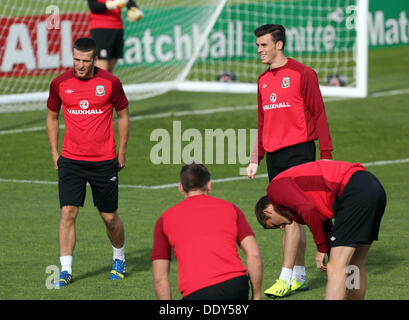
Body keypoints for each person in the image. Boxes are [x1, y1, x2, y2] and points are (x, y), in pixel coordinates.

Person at [246, 24, 334, 298]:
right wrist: (255, 158)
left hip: (300, 152)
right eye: (258, 45)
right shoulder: (262, 80)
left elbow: (319, 115)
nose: (259, 50)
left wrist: (326, 157)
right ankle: (299, 276)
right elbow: (262, 122)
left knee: (290, 218)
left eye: (263, 45)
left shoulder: (303, 74)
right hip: (275, 156)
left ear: (279, 45)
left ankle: (285, 278)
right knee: (292, 218)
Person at [46, 37, 130, 287]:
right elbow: (52, 117)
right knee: (68, 213)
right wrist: (54, 152)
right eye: (76, 60)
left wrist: (121, 152)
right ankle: (65, 270)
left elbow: (123, 115)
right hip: (71, 160)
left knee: (109, 218)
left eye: (85, 61)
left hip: (104, 161)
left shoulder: (110, 82)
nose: (80, 65)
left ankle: (119, 258)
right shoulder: (60, 83)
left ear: (95, 60)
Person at [254, 160, 386, 300]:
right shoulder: (294, 207)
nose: (281, 227)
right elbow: (324, 221)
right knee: (355, 263)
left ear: (268, 211)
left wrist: (321, 248)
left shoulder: (274, 189)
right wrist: (329, 251)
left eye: (274, 225)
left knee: (335, 268)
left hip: (353, 191)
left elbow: (308, 209)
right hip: (373, 187)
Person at [152, 163, 263, 300]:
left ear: (181, 187)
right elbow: (254, 254)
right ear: (209, 185)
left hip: (198, 292)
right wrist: (256, 296)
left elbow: (159, 278)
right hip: (236, 286)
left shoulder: (164, 220)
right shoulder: (231, 209)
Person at [87, 0, 143, 73]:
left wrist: (133, 10)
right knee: (103, 70)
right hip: (101, 28)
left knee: (110, 70)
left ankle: (106, 84)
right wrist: (111, 5)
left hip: (117, 27)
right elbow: (93, 7)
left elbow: (129, 2)